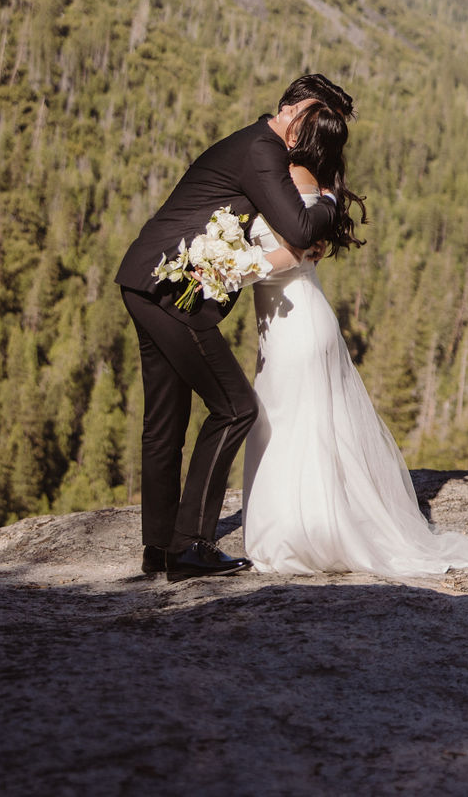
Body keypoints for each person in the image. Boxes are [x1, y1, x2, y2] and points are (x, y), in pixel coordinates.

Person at [243, 101, 468, 576]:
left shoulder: (297, 179)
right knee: (291, 416)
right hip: (289, 316)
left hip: (297, 318)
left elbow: (296, 252)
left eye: (296, 124)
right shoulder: (310, 186)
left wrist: (232, 269)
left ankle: (301, 535)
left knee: (291, 420)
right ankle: (299, 527)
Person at [116, 73, 352, 582]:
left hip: (146, 280)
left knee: (165, 423)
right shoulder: (261, 149)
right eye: (311, 120)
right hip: (171, 290)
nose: (306, 135)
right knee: (236, 408)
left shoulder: (252, 144)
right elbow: (300, 228)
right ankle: (190, 546)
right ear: (290, 110)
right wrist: (331, 199)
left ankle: (158, 548)